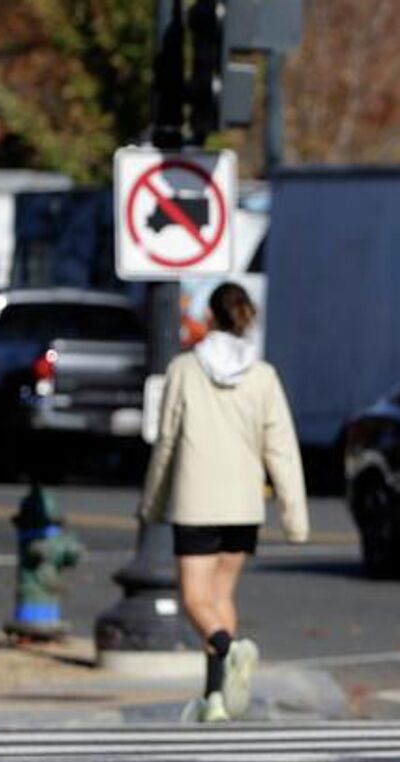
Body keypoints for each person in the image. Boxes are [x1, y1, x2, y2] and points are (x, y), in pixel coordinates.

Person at [139, 282, 309, 723]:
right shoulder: (263, 375)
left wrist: (153, 502)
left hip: (198, 501)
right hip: (243, 505)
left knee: (195, 600)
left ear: (210, 317)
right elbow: (282, 449)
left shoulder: (184, 369)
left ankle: (228, 649)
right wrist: (294, 517)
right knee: (221, 597)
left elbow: (167, 443)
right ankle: (216, 698)